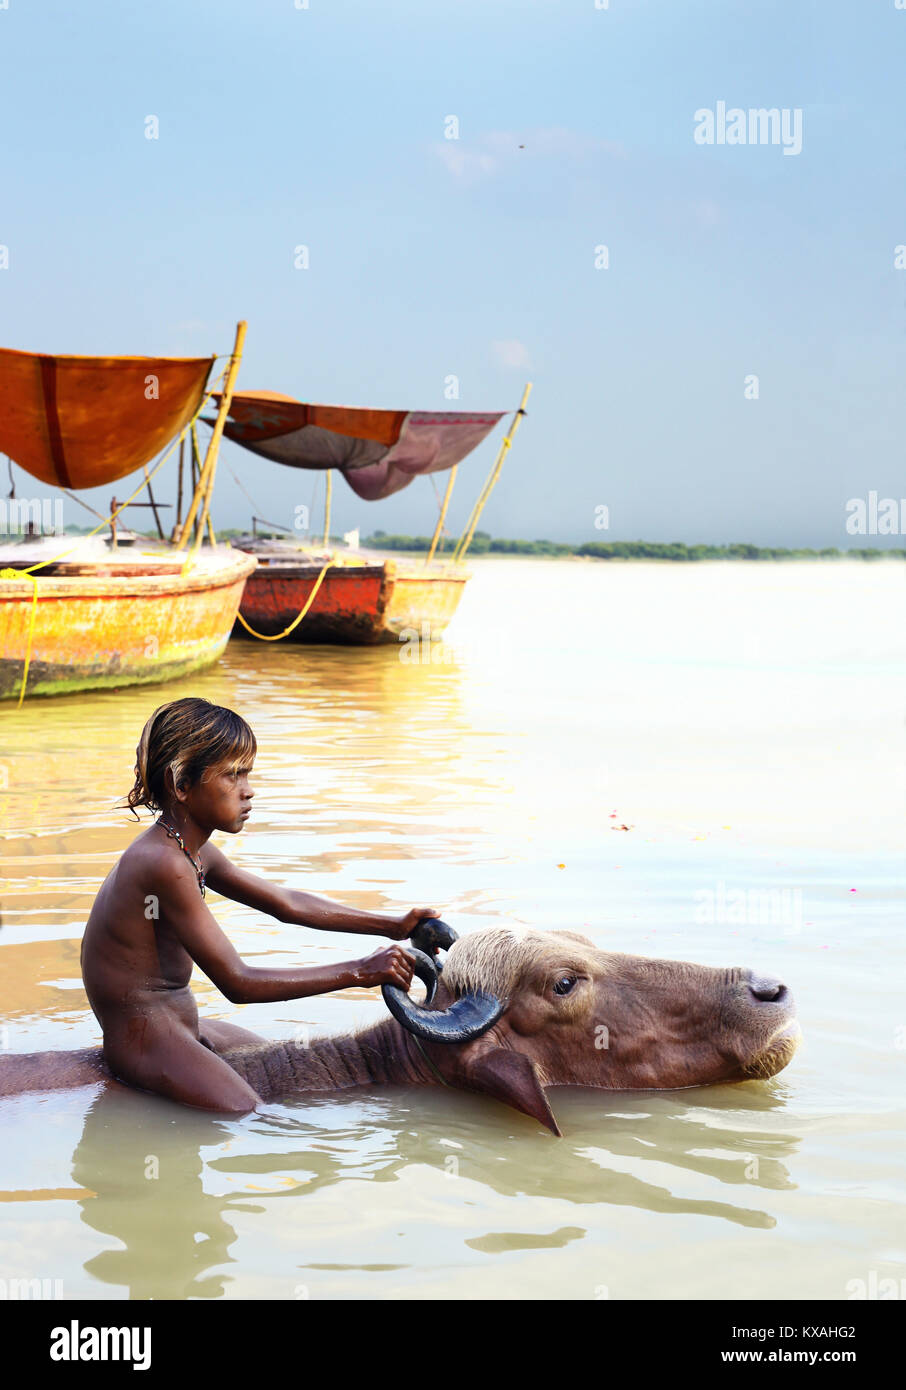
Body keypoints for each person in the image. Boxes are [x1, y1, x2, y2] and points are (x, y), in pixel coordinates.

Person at [80, 696, 435, 1113]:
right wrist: (359, 972)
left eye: (247, 773)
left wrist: (393, 925)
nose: (249, 791)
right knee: (247, 1112)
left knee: (277, 1057)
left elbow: (286, 903)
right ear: (181, 786)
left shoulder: (192, 851)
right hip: (144, 1038)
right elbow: (238, 983)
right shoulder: (163, 863)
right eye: (233, 775)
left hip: (179, 1023)